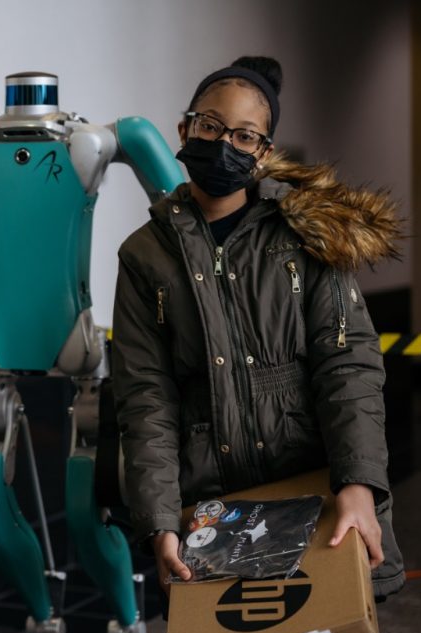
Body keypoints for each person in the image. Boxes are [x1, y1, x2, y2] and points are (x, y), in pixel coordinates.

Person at [112, 55, 405, 603]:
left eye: (245, 136)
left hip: (314, 490)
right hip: (212, 504)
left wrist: (358, 484)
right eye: (210, 125)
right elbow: (145, 398)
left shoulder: (308, 234)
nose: (224, 144)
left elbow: (348, 369)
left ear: (264, 153)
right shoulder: (144, 255)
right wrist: (161, 519)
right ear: (185, 128)